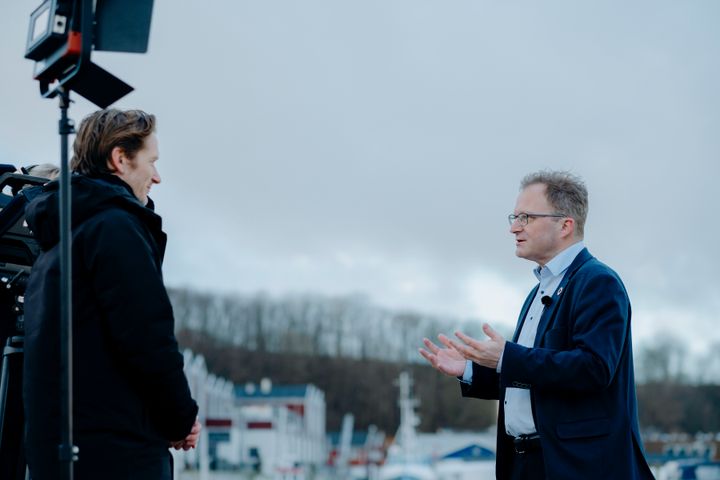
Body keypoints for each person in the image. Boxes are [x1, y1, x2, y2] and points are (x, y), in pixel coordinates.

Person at [419, 171, 654, 480]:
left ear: (565, 225)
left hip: (576, 466)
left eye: (526, 217)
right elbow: (533, 378)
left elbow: (594, 368)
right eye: (514, 217)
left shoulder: (598, 282)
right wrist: (471, 370)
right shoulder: (538, 290)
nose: (514, 227)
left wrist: (507, 357)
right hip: (525, 464)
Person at [23, 109, 201, 480]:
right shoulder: (115, 228)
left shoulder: (57, 240)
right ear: (120, 158)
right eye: (151, 161)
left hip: (61, 454)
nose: (157, 177)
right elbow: (148, 340)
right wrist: (180, 419)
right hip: (117, 454)